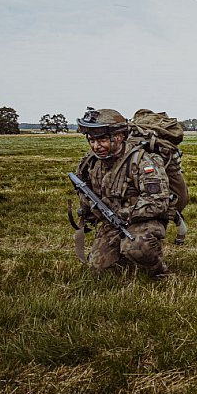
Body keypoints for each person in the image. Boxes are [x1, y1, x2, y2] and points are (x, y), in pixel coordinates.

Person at [74, 107, 172, 277]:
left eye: (102, 140)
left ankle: (157, 270)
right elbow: (85, 190)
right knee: (98, 267)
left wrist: (123, 213)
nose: (96, 146)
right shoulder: (91, 163)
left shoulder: (142, 161)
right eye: (91, 140)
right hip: (112, 222)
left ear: (118, 137)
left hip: (144, 220)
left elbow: (158, 202)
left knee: (136, 246)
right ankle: (123, 256)